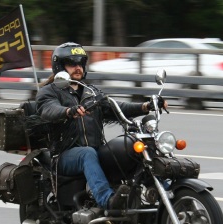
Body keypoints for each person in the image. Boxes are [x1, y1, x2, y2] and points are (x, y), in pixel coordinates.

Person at [35, 42, 167, 210]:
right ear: (59, 66)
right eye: (71, 63)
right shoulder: (49, 92)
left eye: (80, 63)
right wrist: (68, 111)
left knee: (130, 148)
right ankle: (107, 200)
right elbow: (49, 109)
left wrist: (145, 106)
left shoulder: (91, 92)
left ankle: (164, 193)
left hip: (96, 149)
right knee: (87, 153)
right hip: (64, 155)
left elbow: (117, 107)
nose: (78, 67)